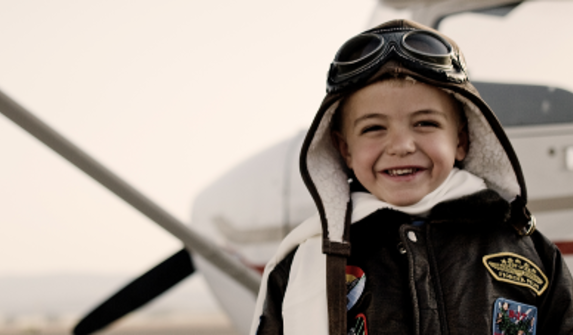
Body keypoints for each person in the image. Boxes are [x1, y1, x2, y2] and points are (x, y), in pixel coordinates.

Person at [249, 19, 573, 335]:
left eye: (425, 124)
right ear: (344, 149)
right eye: (374, 128)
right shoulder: (304, 263)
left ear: (461, 140)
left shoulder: (529, 250)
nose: (402, 146)